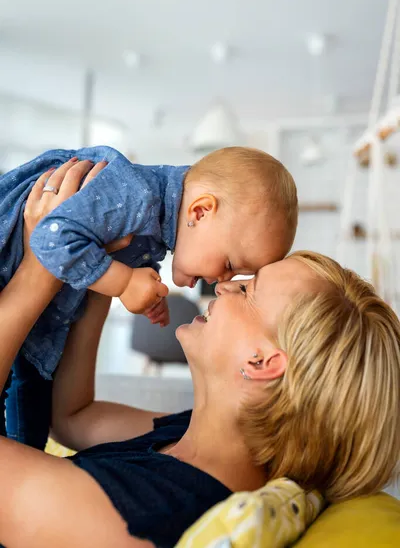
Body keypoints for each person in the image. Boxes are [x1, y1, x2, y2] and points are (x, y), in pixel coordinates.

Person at [0, 166, 398, 548]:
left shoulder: (145, 512)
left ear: (261, 362)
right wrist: (106, 273)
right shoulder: (204, 444)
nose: (223, 288)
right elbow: (73, 418)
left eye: (248, 292)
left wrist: (40, 267)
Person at [0, 146, 298, 450]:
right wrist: (124, 281)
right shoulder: (136, 195)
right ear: (200, 211)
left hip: (26, 318)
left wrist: (140, 284)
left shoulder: (152, 218)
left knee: (30, 406)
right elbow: (50, 238)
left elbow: (124, 251)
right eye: (230, 266)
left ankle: (21, 462)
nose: (222, 283)